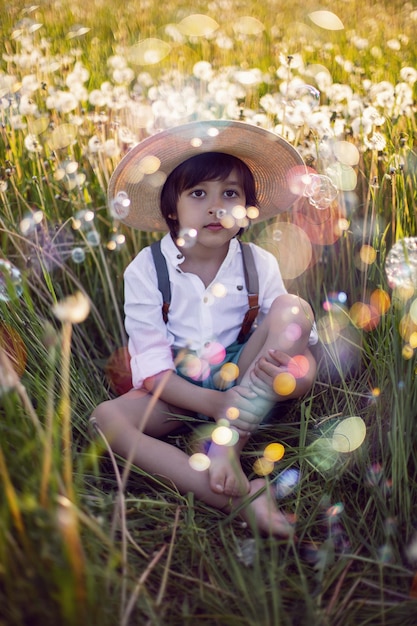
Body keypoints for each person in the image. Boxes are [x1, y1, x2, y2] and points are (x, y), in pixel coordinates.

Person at [92, 120, 317, 538]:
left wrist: (292, 370)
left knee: (293, 308)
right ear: (172, 208)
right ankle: (240, 497)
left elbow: (294, 339)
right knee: (106, 419)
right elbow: (155, 371)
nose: (217, 207)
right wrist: (214, 405)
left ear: (247, 208)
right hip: (176, 385)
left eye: (230, 194)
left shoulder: (257, 262)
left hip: (244, 376)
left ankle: (226, 442)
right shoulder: (145, 270)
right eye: (199, 194)